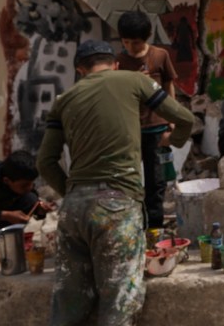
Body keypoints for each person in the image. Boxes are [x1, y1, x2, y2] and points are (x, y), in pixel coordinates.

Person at [37, 40, 194, 326]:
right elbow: (184, 118)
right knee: (119, 301)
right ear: (116, 64)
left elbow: (45, 163)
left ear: (80, 70)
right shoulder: (135, 80)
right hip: (117, 207)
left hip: (73, 209)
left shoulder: (64, 99)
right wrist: (172, 142)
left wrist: (72, 193)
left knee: (69, 302)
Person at [115, 10, 177, 230]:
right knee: (129, 180)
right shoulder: (118, 62)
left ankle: (155, 228)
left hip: (157, 128)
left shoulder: (160, 56)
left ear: (148, 37)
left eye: (137, 42)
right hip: (130, 129)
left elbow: (169, 84)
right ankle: (132, 226)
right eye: (126, 42)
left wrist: (172, 116)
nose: (131, 47)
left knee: (156, 181)